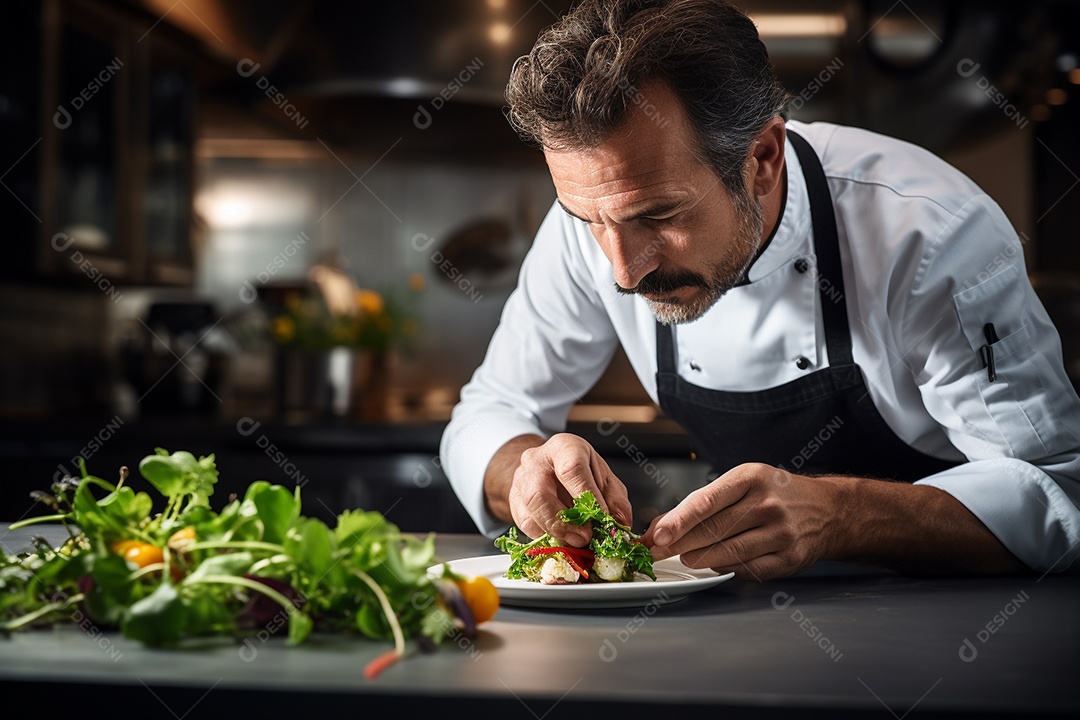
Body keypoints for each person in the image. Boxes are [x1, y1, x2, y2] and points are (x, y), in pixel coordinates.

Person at [439, 0, 1080, 580]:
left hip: (949, 623)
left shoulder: (930, 234)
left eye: (660, 216)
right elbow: (490, 411)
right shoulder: (592, 217)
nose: (623, 271)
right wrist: (522, 470)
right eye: (591, 222)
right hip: (740, 622)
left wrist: (842, 515)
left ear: (763, 157)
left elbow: (1057, 494)